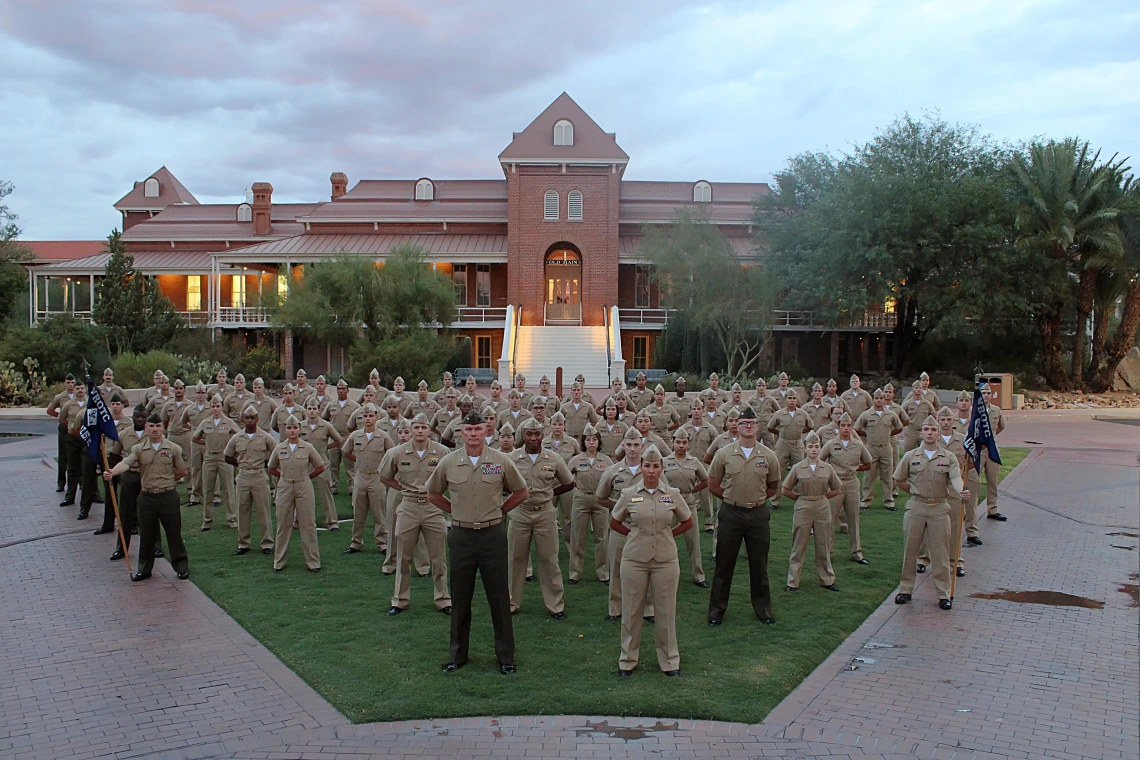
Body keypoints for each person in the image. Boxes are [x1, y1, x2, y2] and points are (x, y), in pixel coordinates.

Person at [427, 410, 528, 674]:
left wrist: (500, 510)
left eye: (478, 429)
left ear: (486, 431)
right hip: (461, 536)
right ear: (461, 432)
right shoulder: (449, 462)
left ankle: (506, 657)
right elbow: (433, 492)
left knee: (499, 598)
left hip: (492, 535)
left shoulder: (500, 461)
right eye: (468, 430)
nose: (473, 434)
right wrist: (454, 511)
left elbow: (521, 491)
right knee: (460, 597)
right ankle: (457, 655)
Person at [610, 444, 692, 678]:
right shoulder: (629, 494)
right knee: (631, 611)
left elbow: (687, 521)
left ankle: (669, 660)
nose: (651, 471)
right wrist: (634, 535)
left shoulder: (672, 494)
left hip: (665, 560)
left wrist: (667, 535)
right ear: (641, 468)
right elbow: (614, 522)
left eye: (656, 466)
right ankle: (627, 659)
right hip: (635, 559)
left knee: (665, 611)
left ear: (661, 468)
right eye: (647, 466)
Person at [707, 406, 781, 626]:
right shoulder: (724, 454)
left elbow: (773, 486)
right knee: (724, 564)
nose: (748, 427)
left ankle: (763, 610)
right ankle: (716, 611)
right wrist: (731, 498)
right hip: (731, 513)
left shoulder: (768, 455)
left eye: (752, 423)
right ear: (736, 426)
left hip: (758, 514)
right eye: (744, 423)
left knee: (759, 565)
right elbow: (713, 483)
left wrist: (755, 499)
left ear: (757, 427)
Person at [379, 413, 453, 615]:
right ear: (410, 430)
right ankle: (399, 600)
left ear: (430, 430)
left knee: (438, 557)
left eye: (424, 427)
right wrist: (403, 488)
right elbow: (384, 476)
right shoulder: (397, 452)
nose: (420, 431)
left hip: (432, 508)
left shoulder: (442, 451)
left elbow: (451, 475)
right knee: (403, 556)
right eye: (416, 427)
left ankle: (443, 599)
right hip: (409, 506)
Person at [102, 414, 190, 582]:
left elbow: (183, 470)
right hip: (147, 497)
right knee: (147, 535)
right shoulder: (139, 449)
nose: (155, 429)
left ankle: (181, 567)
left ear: (163, 427)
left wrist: (168, 481)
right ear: (147, 428)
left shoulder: (173, 448)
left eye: (158, 426)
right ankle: (144, 569)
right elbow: (126, 463)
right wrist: (112, 472)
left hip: (168, 496)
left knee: (173, 533)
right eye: (151, 426)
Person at [893, 415, 969, 609]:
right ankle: (905, 589)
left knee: (940, 553)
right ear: (921, 433)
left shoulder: (948, 457)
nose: (929, 433)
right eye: (926, 429)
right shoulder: (911, 456)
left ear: (938, 433)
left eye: (933, 430)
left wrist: (961, 491)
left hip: (939, 508)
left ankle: (943, 593)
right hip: (916, 507)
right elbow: (898, 478)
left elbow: (956, 477)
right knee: (911, 550)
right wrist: (913, 491)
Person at [505, 418, 574, 618]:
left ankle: (555, 605)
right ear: (523, 436)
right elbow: (501, 483)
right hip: (520, 513)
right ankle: (510, 603)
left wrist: (550, 493)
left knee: (549, 559)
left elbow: (569, 482)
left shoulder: (553, 458)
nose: (533, 438)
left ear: (543, 435)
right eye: (529, 434)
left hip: (545, 513)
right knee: (515, 559)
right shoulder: (512, 458)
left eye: (537, 434)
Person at [597, 427, 657, 623]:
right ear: (623, 446)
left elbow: (663, 493)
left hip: (645, 530)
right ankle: (615, 608)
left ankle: (648, 608)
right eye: (629, 445)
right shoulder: (612, 471)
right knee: (615, 567)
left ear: (643, 446)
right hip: (620, 529)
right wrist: (619, 508)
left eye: (636, 445)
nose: (632, 449)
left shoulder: (651, 470)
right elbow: (601, 497)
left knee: (647, 567)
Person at [782, 431, 843, 592]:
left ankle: (827, 579)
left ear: (820, 448)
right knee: (799, 544)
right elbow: (785, 489)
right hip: (803, 505)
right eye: (811, 446)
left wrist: (824, 497)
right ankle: (793, 581)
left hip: (822, 506)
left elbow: (837, 488)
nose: (814, 450)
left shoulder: (827, 467)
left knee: (823, 543)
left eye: (817, 446)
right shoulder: (797, 467)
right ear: (805, 448)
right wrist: (800, 499)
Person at [917, 407, 972, 577]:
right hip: (935, 490)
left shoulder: (964, 440)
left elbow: (969, 463)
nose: (946, 422)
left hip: (955, 491)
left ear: (953, 421)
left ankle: (955, 561)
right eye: (942, 420)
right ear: (938, 421)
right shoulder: (931, 442)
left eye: (949, 419)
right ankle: (923, 559)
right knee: (928, 525)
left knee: (955, 527)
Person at [267, 415, 325, 573]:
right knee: (283, 524)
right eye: (289, 428)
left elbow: (320, 466)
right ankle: (279, 561)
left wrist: (306, 478)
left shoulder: (307, 447)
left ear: (300, 429)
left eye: (295, 428)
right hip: (285, 486)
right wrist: (284, 478)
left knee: (308, 524)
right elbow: (271, 468)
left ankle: (313, 561)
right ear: (285, 430)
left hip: (303, 486)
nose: (292, 431)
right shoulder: (279, 448)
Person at [341, 403, 394, 555]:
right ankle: (356, 542)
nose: (368, 419)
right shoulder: (355, 435)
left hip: (377, 478)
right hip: (360, 476)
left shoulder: (383, 436)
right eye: (365, 416)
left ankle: (382, 543)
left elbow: (392, 455)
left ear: (377, 417)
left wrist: (384, 470)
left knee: (379, 513)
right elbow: (345, 451)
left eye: (371, 416)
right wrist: (357, 460)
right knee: (359, 513)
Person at [819, 412, 872, 564]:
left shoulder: (858, 444)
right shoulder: (831, 444)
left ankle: (856, 552)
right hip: (836, 484)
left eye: (849, 425)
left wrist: (855, 469)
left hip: (852, 483)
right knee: (831, 519)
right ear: (838, 426)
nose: (846, 428)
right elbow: (820, 462)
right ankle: (827, 551)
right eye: (843, 425)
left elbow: (868, 463)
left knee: (853, 518)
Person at [224, 406, 276, 556]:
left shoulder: (265, 437)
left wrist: (266, 464)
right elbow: (227, 456)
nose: (250, 420)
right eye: (247, 418)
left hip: (260, 475)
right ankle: (243, 543)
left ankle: (267, 543)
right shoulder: (237, 438)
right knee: (242, 510)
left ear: (257, 419)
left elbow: (276, 453)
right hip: (244, 476)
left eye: (252, 417)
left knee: (264, 510)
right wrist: (240, 465)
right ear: (242, 419)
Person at [567, 424, 613, 585]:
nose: (591, 442)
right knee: (578, 536)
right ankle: (575, 572)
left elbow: (612, 479)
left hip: (600, 500)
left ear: (598, 442)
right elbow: (566, 476)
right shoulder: (576, 460)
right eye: (588, 439)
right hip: (581, 499)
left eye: (594, 439)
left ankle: (603, 572)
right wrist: (575, 485)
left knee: (602, 537)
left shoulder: (606, 460)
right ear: (583, 442)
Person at [663, 428, 709, 587]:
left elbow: (705, 480)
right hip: (669, 504)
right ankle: (664, 574)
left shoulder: (694, 462)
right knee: (665, 538)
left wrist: (692, 491)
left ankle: (698, 575)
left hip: (688, 502)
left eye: (684, 442)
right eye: (677, 442)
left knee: (693, 540)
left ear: (688, 444)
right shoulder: (664, 461)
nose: (681, 445)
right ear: (672, 443)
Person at [191, 394, 240, 531]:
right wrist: (205, 443)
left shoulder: (228, 422)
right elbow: (195, 438)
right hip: (209, 457)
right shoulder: (206, 422)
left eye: (218, 406)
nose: (215, 409)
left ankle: (232, 519)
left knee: (229, 489)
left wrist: (231, 449)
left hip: (224, 457)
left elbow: (239, 435)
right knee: (208, 489)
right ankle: (207, 520)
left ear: (222, 407)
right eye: (213, 406)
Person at [107, 402, 148, 560]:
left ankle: (155, 546)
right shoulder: (123, 434)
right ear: (133, 418)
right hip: (129, 476)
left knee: (149, 514)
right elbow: (115, 456)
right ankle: (121, 547)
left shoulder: (153, 434)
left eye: (143, 417)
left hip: (146, 476)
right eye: (137, 417)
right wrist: (113, 474)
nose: (140, 420)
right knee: (125, 513)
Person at [855, 389, 904, 511]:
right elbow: (856, 428)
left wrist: (888, 434)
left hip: (886, 447)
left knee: (887, 474)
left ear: (884, 399)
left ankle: (889, 501)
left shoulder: (891, 414)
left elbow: (900, 427)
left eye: (881, 398)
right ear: (873, 399)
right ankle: (866, 500)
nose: (879, 400)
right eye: (877, 398)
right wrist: (868, 435)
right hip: (871, 448)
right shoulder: (866, 414)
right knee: (869, 475)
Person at [299, 397, 342, 531]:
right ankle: (297, 521)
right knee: (301, 494)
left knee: (326, 493)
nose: (312, 411)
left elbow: (338, 440)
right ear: (306, 410)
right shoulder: (300, 426)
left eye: (314, 409)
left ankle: (332, 522)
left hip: (322, 463)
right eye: (309, 409)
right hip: (305, 463)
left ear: (319, 410)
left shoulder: (326, 425)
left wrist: (326, 448)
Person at [680, 402, 718, 533]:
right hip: (688, 466)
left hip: (704, 465)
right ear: (690, 411)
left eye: (699, 409)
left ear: (703, 410)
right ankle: (685, 521)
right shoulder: (684, 429)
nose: (696, 411)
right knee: (686, 493)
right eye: (694, 409)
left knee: (706, 495)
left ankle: (708, 523)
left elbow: (716, 448)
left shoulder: (710, 429)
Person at [952, 390, 984, 545]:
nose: (964, 403)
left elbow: (984, 443)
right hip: (952, 469)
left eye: (967, 400)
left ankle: (972, 531)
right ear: (956, 403)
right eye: (961, 400)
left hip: (970, 467)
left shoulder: (976, 422)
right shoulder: (950, 421)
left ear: (971, 403)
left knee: (971, 502)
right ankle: (950, 531)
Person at [543, 411, 581, 537]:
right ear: (550, 425)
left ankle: (570, 545)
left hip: (567, 485)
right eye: (554, 424)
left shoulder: (572, 442)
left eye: (560, 424)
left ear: (564, 425)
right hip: (549, 484)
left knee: (568, 517)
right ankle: (550, 542)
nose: (557, 427)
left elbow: (579, 460)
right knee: (548, 516)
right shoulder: (544, 443)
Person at [768, 392, 815, 492]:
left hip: (797, 444)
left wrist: (801, 432)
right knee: (779, 471)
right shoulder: (779, 414)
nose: (792, 400)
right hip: (782, 444)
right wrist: (780, 433)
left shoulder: (802, 414)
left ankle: (800, 494)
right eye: (789, 398)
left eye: (794, 398)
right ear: (786, 400)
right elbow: (770, 427)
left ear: (796, 400)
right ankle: (775, 500)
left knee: (800, 470)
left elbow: (810, 426)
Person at [52, 377, 84, 505]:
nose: (80, 390)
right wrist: (71, 425)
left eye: (82, 388)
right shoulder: (67, 404)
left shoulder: (90, 403)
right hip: (73, 437)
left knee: (88, 467)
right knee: (72, 467)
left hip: (86, 438)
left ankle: (93, 494)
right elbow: (60, 418)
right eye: (77, 388)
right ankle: (70, 496)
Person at [324, 379, 359, 493]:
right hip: (334, 439)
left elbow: (358, 422)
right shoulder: (331, 405)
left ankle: (352, 488)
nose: (341, 391)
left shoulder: (354, 406)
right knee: (333, 464)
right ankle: (333, 487)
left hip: (348, 438)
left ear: (348, 390)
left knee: (350, 466)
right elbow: (324, 419)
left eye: (343, 388)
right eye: (339, 389)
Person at [980, 385, 1007, 521]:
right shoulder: (974, 411)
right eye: (983, 392)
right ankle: (968, 510)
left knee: (992, 480)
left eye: (988, 393)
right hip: (978, 450)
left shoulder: (996, 410)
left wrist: (991, 438)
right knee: (973, 481)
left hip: (992, 449)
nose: (986, 395)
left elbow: (1001, 426)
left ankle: (993, 509)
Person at [47, 374, 78, 493]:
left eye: (72, 382)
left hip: (77, 428)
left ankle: (79, 481)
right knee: (63, 455)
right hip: (65, 428)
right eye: (68, 382)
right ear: (65, 383)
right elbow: (50, 410)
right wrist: (62, 418)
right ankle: (61, 483)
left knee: (77, 455)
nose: (70, 385)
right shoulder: (60, 397)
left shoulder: (79, 396)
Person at [183, 383, 212, 507]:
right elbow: (183, 422)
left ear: (206, 394)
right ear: (195, 394)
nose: (200, 395)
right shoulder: (190, 408)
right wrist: (193, 430)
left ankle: (213, 496)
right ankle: (196, 496)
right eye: (198, 393)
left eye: (203, 393)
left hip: (208, 442)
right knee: (196, 469)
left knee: (210, 469)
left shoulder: (211, 407)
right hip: (195, 442)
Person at [901, 381, 937, 453]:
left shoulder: (927, 403)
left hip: (923, 431)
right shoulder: (908, 403)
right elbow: (900, 414)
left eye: (920, 388)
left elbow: (934, 415)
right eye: (916, 388)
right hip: (911, 431)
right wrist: (904, 424)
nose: (919, 389)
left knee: (925, 452)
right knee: (908, 452)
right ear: (912, 390)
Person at [748, 379, 780, 449]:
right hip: (756, 426)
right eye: (759, 386)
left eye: (763, 386)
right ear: (756, 387)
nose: (761, 388)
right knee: (753, 446)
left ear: (766, 387)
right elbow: (746, 411)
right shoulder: (752, 400)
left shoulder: (770, 399)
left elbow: (779, 411)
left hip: (767, 427)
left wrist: (773, 420)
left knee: (770, 447)